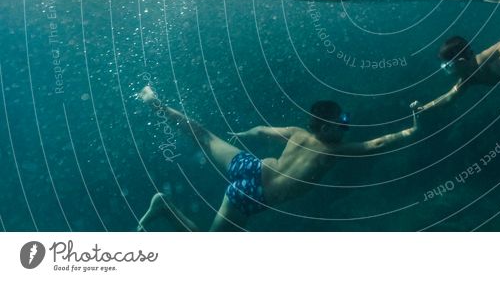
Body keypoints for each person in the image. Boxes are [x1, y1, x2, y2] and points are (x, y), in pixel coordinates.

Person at [136, 85, 417, 231]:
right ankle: (165, 207)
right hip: (253, 196)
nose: (346, 129)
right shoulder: (333, 150)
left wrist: (246, 132)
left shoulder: (296, 132)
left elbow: (262, 130)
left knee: (205, 136)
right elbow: (375, 144)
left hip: (251, 166)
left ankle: (154, 103)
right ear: (324, 127)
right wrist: (411, 130)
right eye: (340, 124)